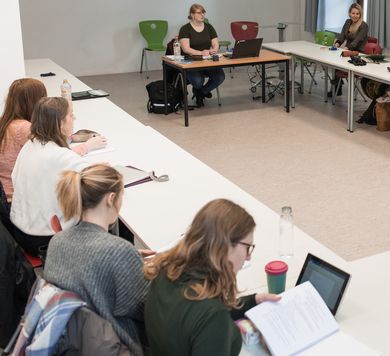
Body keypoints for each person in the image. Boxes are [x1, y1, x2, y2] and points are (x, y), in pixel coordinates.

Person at [144, 199, 279, 356]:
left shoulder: (165, 272)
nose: (248, 257)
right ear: (226, 247)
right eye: (248, 247)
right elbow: (208, 317)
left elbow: (197, 318)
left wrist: (254, 301)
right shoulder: (212, 315)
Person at [44, 164, 151, 355]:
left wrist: (131, 261)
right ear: (111, 199)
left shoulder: (57, 241)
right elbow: (148, 309)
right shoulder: (119, 251)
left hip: (68, 342)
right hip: (113, 345)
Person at [10, 97, 106, 255]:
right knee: (100, 207)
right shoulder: (60, 155)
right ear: (60, 124)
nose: (74, 118)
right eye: (71, 115)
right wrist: (102, 167)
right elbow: (101, 179)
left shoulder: (30, 145)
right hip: (45, 238)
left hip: (20, 231)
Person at [0, 78, 47, 205]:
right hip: (20, 201)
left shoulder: (4, 122)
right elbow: (54, 157)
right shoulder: (25, 128)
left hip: (6, 197)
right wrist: (85, 147)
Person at [179, 3, 225, 107]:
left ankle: (201, 93)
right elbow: (186, 49)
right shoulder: (185, 29)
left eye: (203, 12)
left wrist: (214, 49)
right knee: (198, 81)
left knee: (220, 77)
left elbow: (215, 43)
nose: (202, 15)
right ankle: (199, 90)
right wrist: (201, 53)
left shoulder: (209, 27)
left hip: (207, 60)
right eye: (199, 13)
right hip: (191, 61)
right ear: (192, 14)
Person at [329, 3, 369, 97]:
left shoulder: (364, 26)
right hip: (347, 51)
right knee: (334, 60)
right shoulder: (348, 22)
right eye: (353, 13)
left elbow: (356, 41)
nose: (355, 15)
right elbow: (342, 35)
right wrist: (337, 44)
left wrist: (346, 48)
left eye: (357, 14)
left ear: (360, 15)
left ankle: (337, 84)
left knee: (339, 59)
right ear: (349, 13)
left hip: (358, 52)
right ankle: (337, 87)